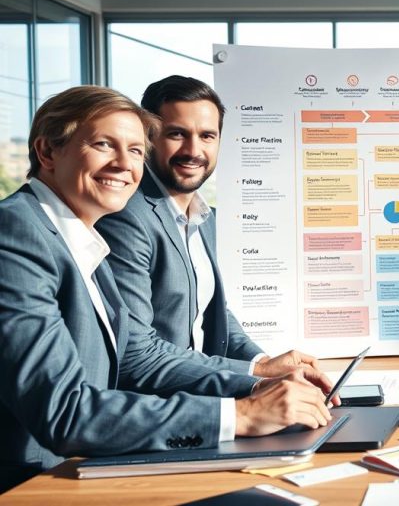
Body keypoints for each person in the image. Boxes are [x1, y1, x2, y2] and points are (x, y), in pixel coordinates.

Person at [0, 86, 334, 492]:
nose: (125, 164)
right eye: (104, 145)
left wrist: (261, 388)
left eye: (137, 150)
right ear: (47, 152)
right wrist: (240, 416)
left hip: (82, 465)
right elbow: (65, 410)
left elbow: (132, 361)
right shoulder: (16, 233)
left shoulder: (80, 240)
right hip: (31, 482)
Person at [97, 76, 317, 376]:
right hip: (163, 404)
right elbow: (136, 353)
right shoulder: (127, 216)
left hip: (203, 389)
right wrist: (256, 376)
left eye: (207, 136)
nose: (193, 150)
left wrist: (263, 362)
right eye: (177, 134)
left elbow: (213, 313)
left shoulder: (206, 217)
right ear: (148, 138)